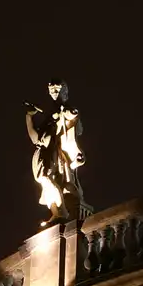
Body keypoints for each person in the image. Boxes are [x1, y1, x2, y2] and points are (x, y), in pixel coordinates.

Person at [25, 79, 86, 226]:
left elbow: (75, 124)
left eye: (57, 89)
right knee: (45, 182)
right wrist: (29, 117)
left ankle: (61, 212)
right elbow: (36, 138)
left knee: (48, 179)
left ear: (64, 92)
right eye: (51, 90)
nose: (53, 92)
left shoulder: (64, 110)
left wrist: (70, 113)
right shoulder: (50, 114)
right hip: (43, 154)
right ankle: (57, 212)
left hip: (55, 155)